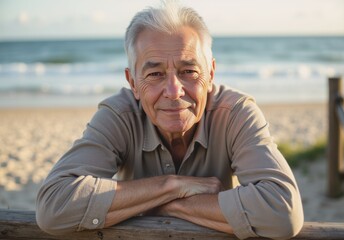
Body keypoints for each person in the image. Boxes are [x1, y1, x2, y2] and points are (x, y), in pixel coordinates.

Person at [36, 1, 304, 239]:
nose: (174, 91)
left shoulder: (235, 113)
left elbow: (282, 213)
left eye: (188, 71)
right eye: (154, 75)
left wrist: (157, 202)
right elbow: (53, 206)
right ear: (132, 83)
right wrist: (172, 186)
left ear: (210, 73)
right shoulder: (119, 115)